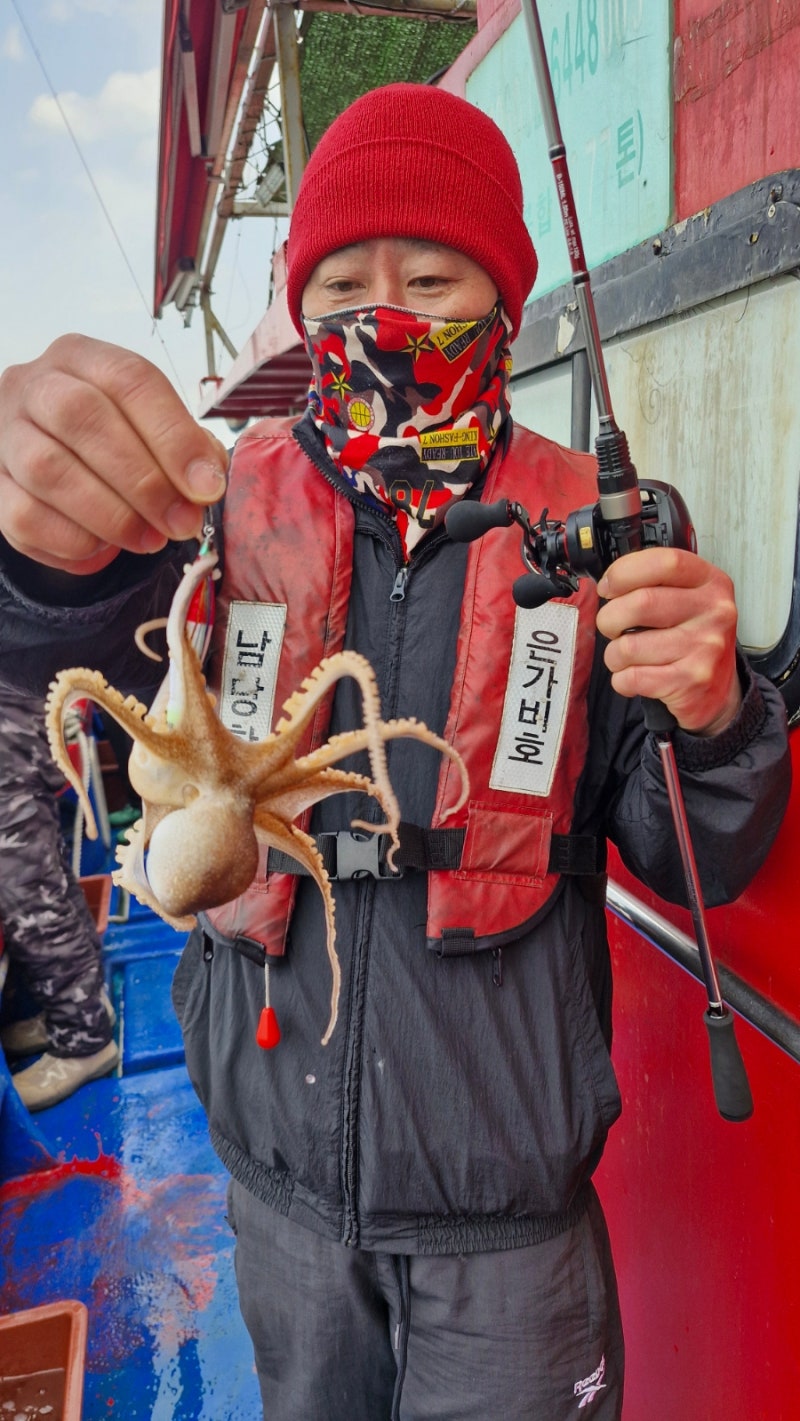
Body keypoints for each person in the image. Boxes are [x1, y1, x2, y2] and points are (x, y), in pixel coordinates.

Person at [0, 84, 790, 1419]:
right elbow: (52, 665)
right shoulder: (213, 511)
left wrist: (717, 717)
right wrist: (33, 556)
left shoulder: (601, 530)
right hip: (280, 1187)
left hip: (509, 1222)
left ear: (504, 303)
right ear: (302, 310)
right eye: (341, 287)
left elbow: (690, 852)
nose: (384, 318)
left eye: (429, 280)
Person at [0, 687, 118, 1110]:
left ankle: (83, 1038)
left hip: (8, 719)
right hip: (20, 701)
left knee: (26, 884)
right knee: (42, 872)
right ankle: (85, 1007)